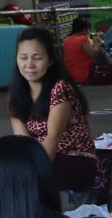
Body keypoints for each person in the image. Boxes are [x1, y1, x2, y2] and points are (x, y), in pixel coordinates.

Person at [8, 27, 97, 192]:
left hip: (74, 159)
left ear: (50, 60)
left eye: (37, 58)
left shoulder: (60, 88)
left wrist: (30, 171)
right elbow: (23, 140)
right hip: (39, 156)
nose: (29, 64)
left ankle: (37, 215)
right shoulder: (16, 94)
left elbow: (53, 137)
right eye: (23, 57)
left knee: (20, 177)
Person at [61, 17, 110, 84]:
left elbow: (65, 61)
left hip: (72, 77)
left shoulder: (66, 40)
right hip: (85, 75)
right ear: (84, 28)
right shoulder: (82, 39)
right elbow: (93, 54)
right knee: (101, 54)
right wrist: (97, 41)